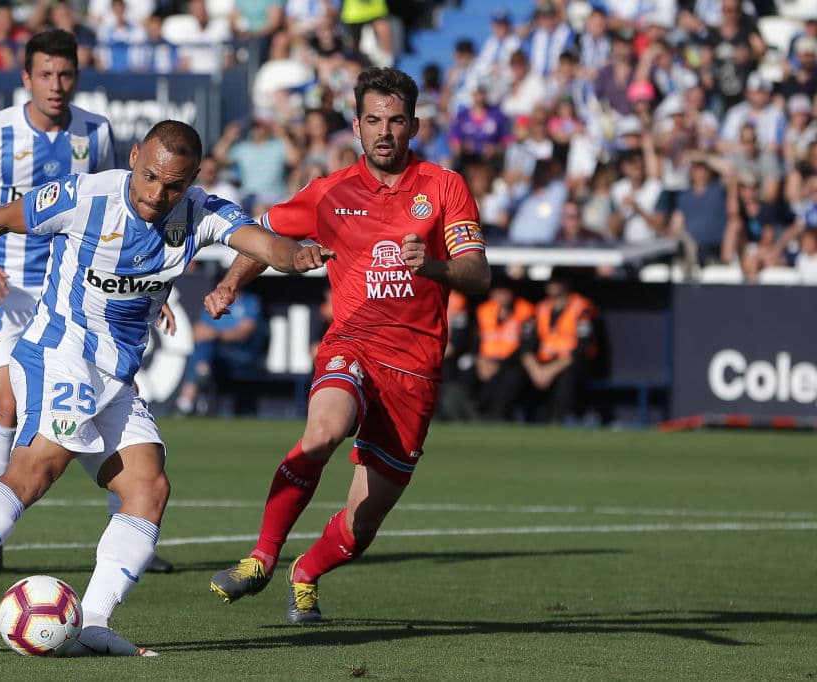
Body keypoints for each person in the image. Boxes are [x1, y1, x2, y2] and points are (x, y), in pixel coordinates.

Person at [0, 120, 333, 655]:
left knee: (148, 488)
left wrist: (295, 256)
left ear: (191, 181)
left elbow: (263, 243)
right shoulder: (85, 195)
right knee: (40, 466)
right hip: (59, 349)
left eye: (174, 185)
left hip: (114, 374)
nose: (157, 194)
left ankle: (93, 621)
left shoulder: (202, 212)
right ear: (135, 155)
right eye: (149, 177)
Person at [206, 67, 491, 623]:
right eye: (372, 121)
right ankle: (261, 557)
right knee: (324, 430)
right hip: (352, 343)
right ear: (356, 126)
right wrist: (228, 284)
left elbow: (478, 275)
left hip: (416, 370)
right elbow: (266, 237)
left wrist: (430, 265)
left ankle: (305, 572)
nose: (384, 132)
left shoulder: (444, 186)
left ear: (414, 125)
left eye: (396, 121)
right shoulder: (330, 192)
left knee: (363, 523)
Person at [0, 28, 172, 574]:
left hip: (77, 294)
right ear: (26, 78)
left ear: (77, 78)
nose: (56, 86)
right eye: (45, 75)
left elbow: (126, 205)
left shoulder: (96, 131)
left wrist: (149, 286)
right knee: (8, 407)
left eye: (66, 75)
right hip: (3, 286)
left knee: (106, 399)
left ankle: (128, 521)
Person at [174, 288, 268, 416]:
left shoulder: (250, 301)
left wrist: (216, 334)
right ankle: (202, 371)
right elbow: (198, 331)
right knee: (204, 346)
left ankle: (186, 399)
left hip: (242, 354)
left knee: (204, 349)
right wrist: (203, 334)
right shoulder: (214, 301)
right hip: (215, 354)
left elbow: (244, 333)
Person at [519, 273, 598, 423]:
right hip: (543, 361)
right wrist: (535, 369)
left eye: (557, 281)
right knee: (515, 370)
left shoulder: (581, 306)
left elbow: (582, 347)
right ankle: (522, 419)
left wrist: (549, 370)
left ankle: (558, 420)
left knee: (568, 375)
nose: (553, 285)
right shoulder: (541, 307)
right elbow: (526, 345)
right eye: (551, 281)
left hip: (569, 362)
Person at [474, 280, 534, 421]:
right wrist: (481, 362)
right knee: (466, 371)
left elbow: (526, 344)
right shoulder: (484, 310)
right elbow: (476, 340)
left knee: (510, 377)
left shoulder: (525, 310)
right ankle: (471, 415)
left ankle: (498, 416)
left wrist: (499, 364)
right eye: (499, 292)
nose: (503, 296)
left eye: (506, 292)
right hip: (485, 360)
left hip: (511, 361)